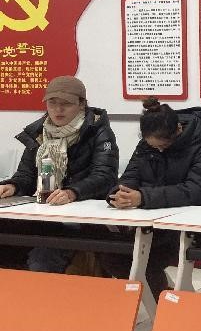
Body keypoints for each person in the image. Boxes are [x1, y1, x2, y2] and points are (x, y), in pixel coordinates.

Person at [100, 97, 201, 297]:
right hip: (153, 223)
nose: (159, 150)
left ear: (178, 130)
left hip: (196, 226)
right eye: (154, 147)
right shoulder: (146, 146)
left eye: (164, 146)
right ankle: (162, 300)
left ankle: (167, 303)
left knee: (143, 259)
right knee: (112, 255)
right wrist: (118, 194)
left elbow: (196, 190)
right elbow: (130, 176)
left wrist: (143, 198)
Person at [0, 75, 118, 272]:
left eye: (66, 104)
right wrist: (12, 186)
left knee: (42, 261)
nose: (58, 109)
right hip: (43, 214)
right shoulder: (39, 133)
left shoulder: (99, 132)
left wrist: (72, 192)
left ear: (82, 104)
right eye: (52, 103)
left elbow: (104, 177)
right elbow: (26, 175)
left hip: (81, 218)